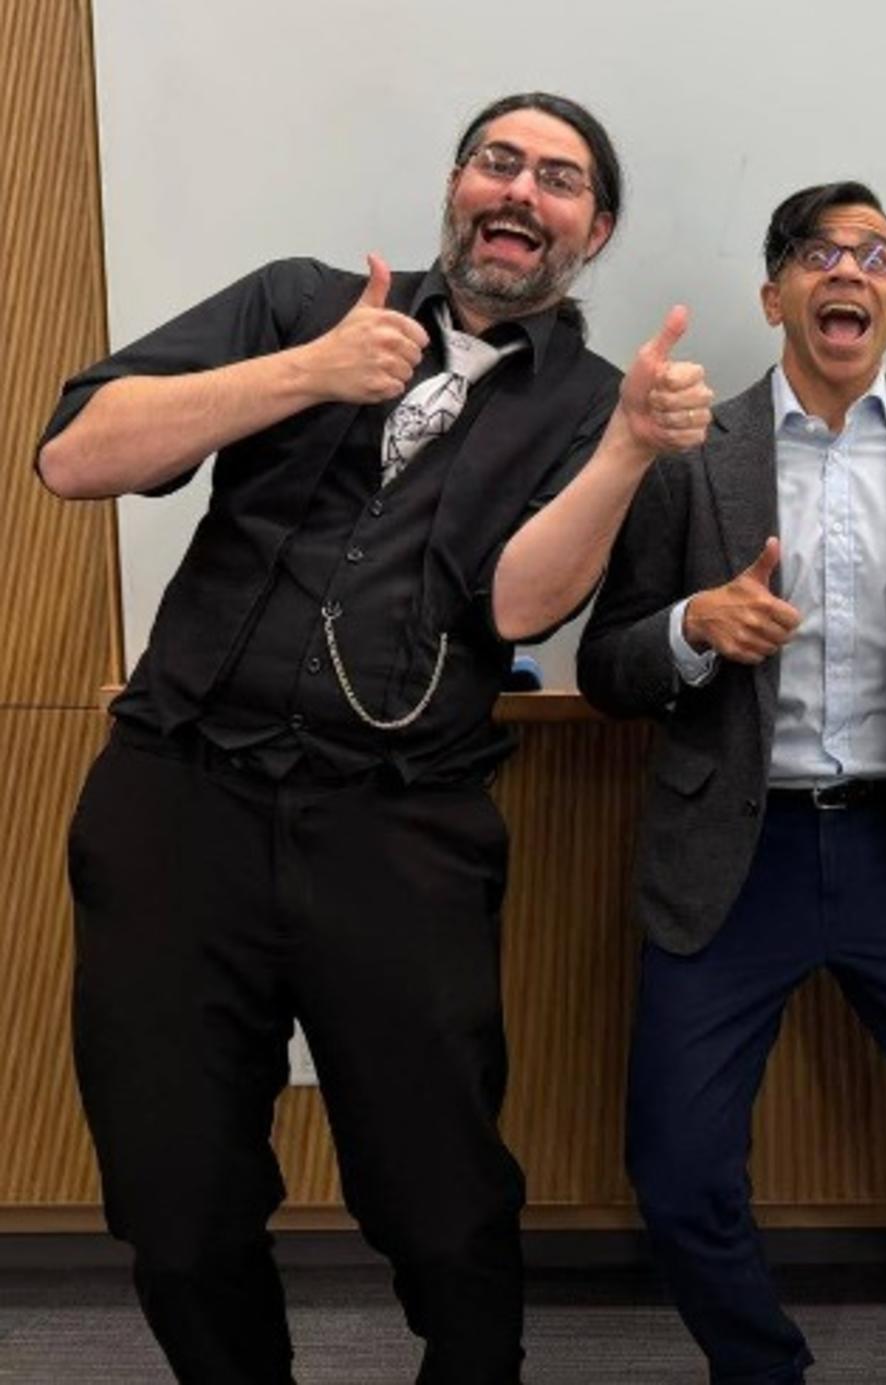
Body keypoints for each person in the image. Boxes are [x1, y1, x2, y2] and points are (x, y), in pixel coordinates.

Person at [34, 91, 708, 1383]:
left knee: (438, 1196)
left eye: (557, 179)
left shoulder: (588, 401)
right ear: (456, 186)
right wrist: (308, 373)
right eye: (496, 162)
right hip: (178, 803)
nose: (519, 192)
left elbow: (519, 605)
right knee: (173, 1209)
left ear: (596, 229)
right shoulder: (302, 302)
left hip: (399, 829)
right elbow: (76, 457)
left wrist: (626, 448)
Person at [577, 181, 886, 1385]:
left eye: (876, 254)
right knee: (678, 1170)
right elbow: (608, 659)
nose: (850, 270)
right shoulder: (690, 459)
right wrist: (693, 622)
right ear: (775, 291)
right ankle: (764, 1369)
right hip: (738, 852)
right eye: (820, 253)